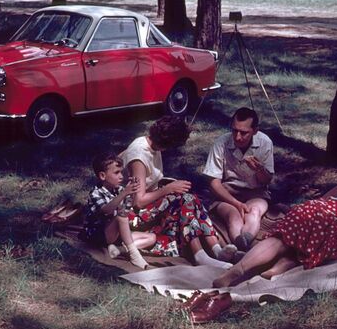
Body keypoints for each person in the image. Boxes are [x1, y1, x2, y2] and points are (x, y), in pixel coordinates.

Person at [213, 179, 337, 287]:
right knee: (305, 251)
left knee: (281, 239)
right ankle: (279, 267)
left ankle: (239, 269)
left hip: (326, 210)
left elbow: (325, 198)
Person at [121, 116, 233, 269]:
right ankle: (200, 255)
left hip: (147, 200)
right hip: (130, 211)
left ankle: (216, 250)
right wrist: (168, 189)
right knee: (185, 200)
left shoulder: (150, 145)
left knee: (189, 198)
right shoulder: (139, 157)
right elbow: (138, 201)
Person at [203, 107, 275, 252]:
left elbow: (266, 181)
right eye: (235, 130)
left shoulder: (265, 143)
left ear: (255, 131)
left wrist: (259, 169)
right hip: (227, 193)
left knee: (254, 212)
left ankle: (245, 242)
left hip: (256, 192)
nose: (237, 137)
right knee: (233, 215)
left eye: (244, 133)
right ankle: (239, 246)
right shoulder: (221, 143)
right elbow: (213, 182)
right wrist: (236, 203)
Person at [82, 152, 156, 270]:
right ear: (102, 176)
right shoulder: (96, 193)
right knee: (120, 218)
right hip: (99, 234)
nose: (121, 176)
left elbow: (125, 210)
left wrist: (131, 194)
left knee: (151, 238)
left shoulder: (119, 190)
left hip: (115, 236)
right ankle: (134, 255)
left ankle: (119, 250)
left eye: (121, 172)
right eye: (116, 173)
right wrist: (124, 193)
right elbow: (106, 210)